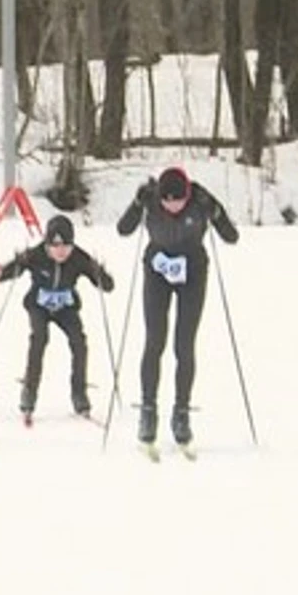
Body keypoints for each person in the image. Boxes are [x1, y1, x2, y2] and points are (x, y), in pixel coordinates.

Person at [115, 166, 239, 452]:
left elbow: (231, 237)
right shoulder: (150, 199)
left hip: (192, 274)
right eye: (166, 202)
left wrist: (215, 211)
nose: (172, 206)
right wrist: (137, 203)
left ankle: (181, 413)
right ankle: (148, 411)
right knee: (154, 340)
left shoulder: (199, 200)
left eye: (178, 201)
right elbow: (123, 230)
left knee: (184, 345)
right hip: (157, 271)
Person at [0, 214, 113, 425]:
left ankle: (79, 394)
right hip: (39, 306)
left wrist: (100, 273)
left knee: (79, 342)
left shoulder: (79, 257)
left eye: (66, 246)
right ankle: (29, 394)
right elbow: (5, 274)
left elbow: (107, 285)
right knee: (39, 339)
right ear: (47, 244)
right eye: (55, 246)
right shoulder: (36, 255)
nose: (60, 251)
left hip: (65, 307)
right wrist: (10, 267)